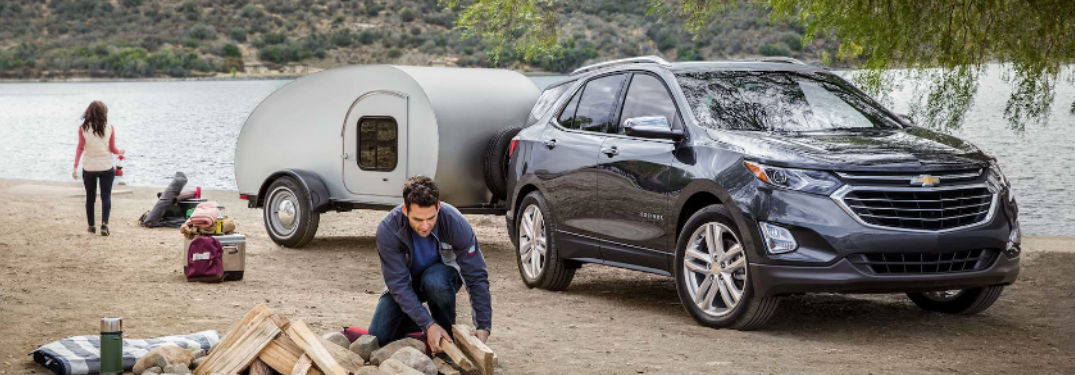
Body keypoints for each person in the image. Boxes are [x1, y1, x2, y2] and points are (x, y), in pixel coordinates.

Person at [368, 176, 492, 352]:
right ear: (405, 210)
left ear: (438, 207)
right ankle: (424, 325)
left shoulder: (454, 222)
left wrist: (483, 325)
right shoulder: (388, 229)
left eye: (431, 218)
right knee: (379, 336)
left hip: (442, 279)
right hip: (408, 283)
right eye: (418, 219)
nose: (425, 226)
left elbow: (476, 275)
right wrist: (427, 323)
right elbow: (398, 285)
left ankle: (447, 337)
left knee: (434, 280)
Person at [72, 100, 125, 236]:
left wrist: (75, 166)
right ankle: (104, 225)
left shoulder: (83, 128)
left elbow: (80, 148)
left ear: (89, 112)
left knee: (90, 198)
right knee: (106, 196)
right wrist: (120, 151)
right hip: (106, 167)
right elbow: (112, 149)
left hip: (89, 167)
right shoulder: (109, 128)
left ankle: (91, 226)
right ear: (104, 113)